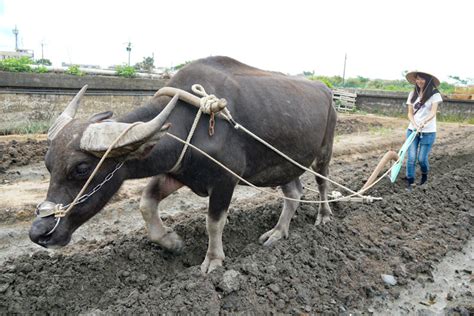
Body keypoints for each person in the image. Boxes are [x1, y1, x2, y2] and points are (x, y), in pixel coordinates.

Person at [405, 71, 443, 191]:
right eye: (417, 79)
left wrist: (424, 123)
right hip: (412, 130)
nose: (419, 81)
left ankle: (424, 177)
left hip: (428, 131)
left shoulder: (434, 95)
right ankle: (410, 182)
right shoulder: (412, 94)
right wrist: (415, 124)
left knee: (422, 158)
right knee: (411, 158)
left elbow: (433, 112)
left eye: (422, 79)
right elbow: (410, 113)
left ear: (428, 80)